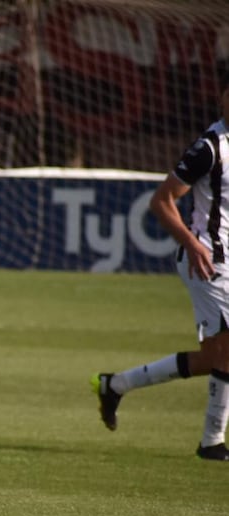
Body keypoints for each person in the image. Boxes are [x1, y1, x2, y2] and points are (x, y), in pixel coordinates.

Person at [92, 71, 229, 463]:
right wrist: (192, 243)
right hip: (209, 260)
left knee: (214, 358)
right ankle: (211, 442)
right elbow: (162, 201)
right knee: (226, 355)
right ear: (223, 97)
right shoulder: (210, 148)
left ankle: (116, 385)